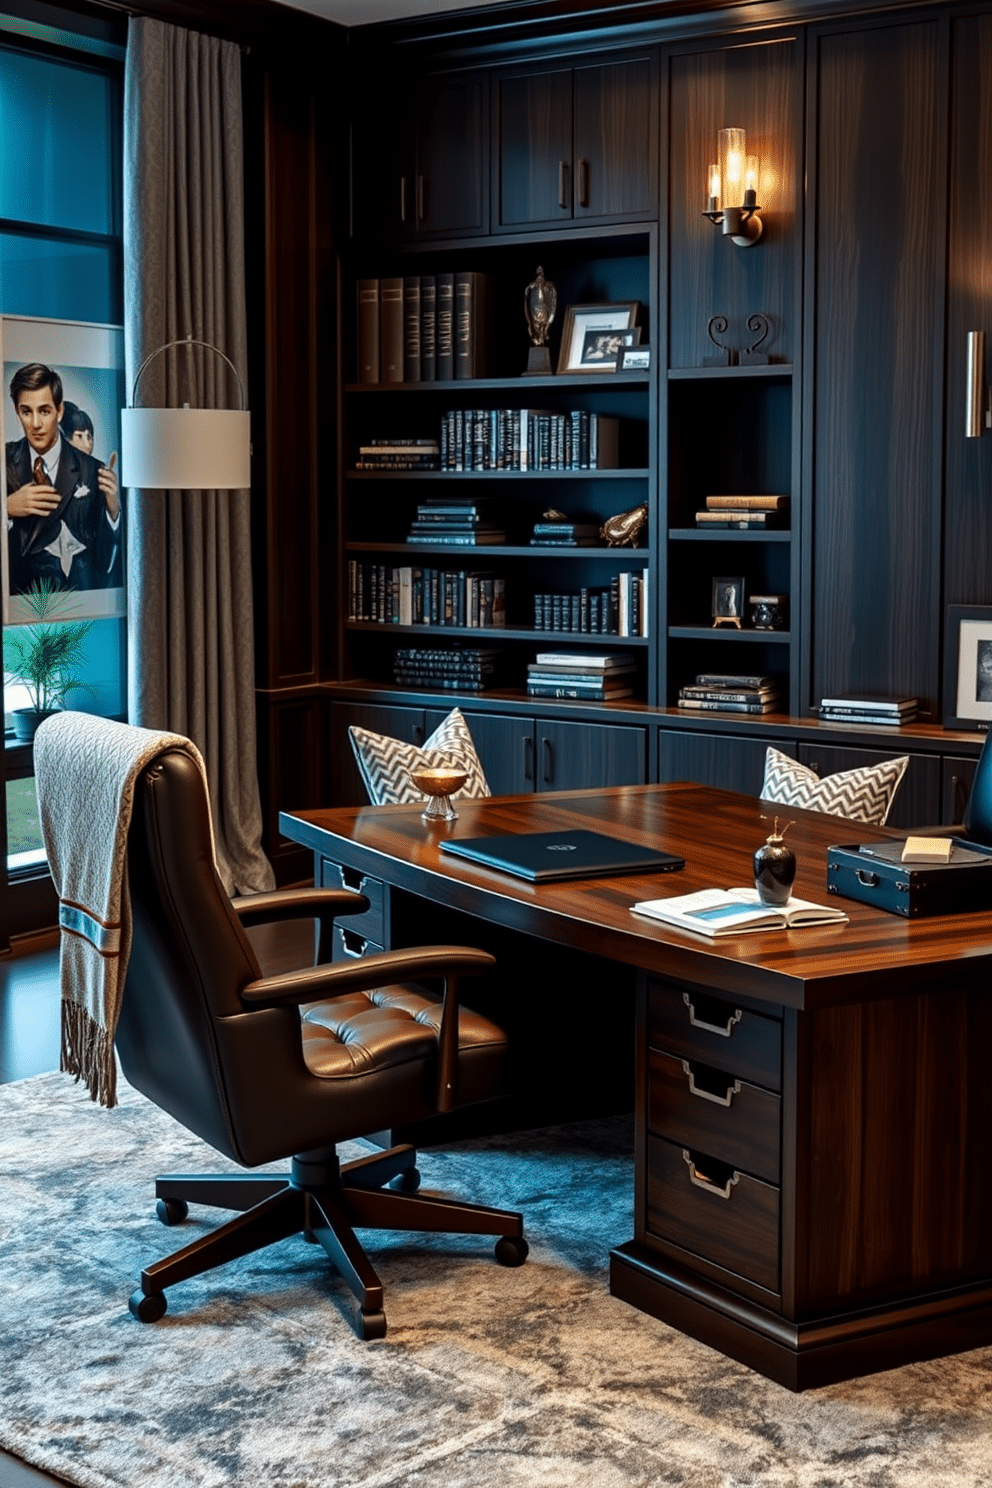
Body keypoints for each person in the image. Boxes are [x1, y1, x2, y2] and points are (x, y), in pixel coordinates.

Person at [5, 364, 121, 594]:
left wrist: (113, 511)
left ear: (59, 412)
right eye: (27, 412)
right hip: (20, 603)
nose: (35, 424)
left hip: (81, 598)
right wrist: (6, 507)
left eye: (44, 411)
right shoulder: (3, 461)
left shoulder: (92, 469)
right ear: (17, 412)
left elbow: (106, 557)